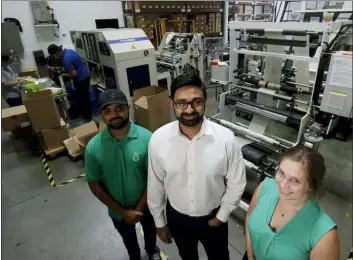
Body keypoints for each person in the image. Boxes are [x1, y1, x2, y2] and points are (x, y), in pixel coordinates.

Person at [147, 73, 247, 260]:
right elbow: (155, 184)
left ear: (205, 102)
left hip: (214, 218)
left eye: (196, 102)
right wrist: (160, 222)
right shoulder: (158, 140)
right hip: (178, 219)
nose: (189, 109)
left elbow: (237, 182)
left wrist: (222, 216)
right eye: (181, 103)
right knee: (187, 256)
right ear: (172, 103)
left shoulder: (226, 139)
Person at [85, 89, 162, 260]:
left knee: (150, 230)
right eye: (107, 111)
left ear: (128, 108)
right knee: (128, 239)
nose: (114, 115)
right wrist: (122, 212)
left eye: (119, 108)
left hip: (146, 205)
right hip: (116, 209)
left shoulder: (147, 139)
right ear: (102, 115)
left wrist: (140, 208)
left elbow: (154, 178)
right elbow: (95, 185)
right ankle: (135, 256)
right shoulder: (93, 147)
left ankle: (151, 250)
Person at [245, 145, 340, 260]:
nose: (283, 185)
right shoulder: (265, 187)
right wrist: (250, 256)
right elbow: (250, 216)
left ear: (311, 185)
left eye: (295, 180)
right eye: (281, 173)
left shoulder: (325, 235)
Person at [47, 44, 92, 121]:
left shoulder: (65, 59)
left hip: (80, 80)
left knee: (83, 98)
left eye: (54, 56)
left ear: (56, 53)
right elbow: (74, 65)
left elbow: (73, 74)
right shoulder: (70, 51)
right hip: (86, 76)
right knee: (85, 97)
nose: (55, 58)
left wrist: (65, 75)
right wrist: (65, 70)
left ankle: (87, 117)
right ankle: (87, 113)